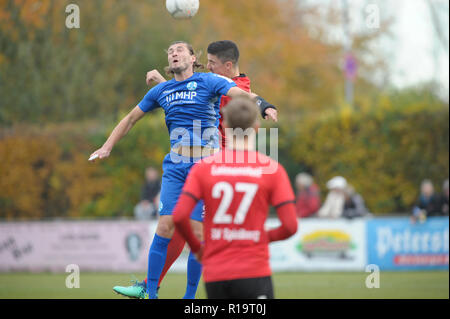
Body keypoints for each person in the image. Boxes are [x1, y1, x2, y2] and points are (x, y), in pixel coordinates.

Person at [90, 40, 278, 300]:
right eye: (169, 51)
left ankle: (188, 298)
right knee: (165, 226)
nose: (174, 53)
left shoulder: (209, 82)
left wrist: (265, 105)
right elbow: (130, 118)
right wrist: (107, 146)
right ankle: (150, 293)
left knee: (197, 235)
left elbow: (242, 94)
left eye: (180, 50)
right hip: (176, 167)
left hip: (205, 168)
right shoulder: (162, 90)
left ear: (192, 58)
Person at [173, 97, 298, 299]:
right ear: (256, 127)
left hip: (216, 274)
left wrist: (198, 249)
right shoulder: (272, 170)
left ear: (225, 125)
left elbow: (179, 216)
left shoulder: (203, 169)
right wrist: (262, 237)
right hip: (254, 270)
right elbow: (290, 226)